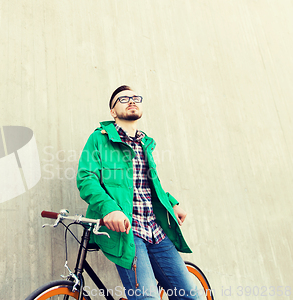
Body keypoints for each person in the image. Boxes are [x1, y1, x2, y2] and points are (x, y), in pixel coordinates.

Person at [76, 85, 203, 299]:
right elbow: (86, 178)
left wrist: (171, 202)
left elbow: (150, 184)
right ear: (113, 112)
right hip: (128, 232)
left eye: (135, 97)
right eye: (123, 99)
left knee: (190, 296)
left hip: (156, 231)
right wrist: (110, 210)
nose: (132, 101)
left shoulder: (145, 143)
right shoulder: (99, 139)